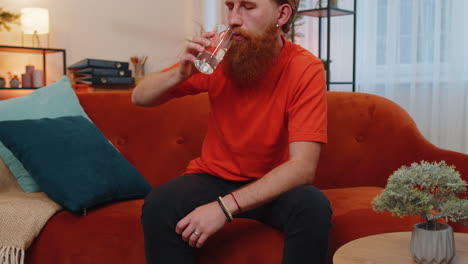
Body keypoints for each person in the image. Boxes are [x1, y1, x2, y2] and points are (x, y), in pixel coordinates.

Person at [133, 0, 332, 263]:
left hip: (273, 184)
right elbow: (139, 97)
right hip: (214, 177)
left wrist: (224, 207)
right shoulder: (219, 56)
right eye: (230, 6)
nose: (234, 19)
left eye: (247, 7)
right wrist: (179, 75)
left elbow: (303, 167)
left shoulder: (305, 68)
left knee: (313, 207)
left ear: (282, 14)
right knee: (160, 205)